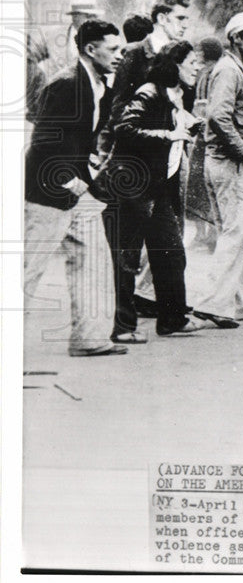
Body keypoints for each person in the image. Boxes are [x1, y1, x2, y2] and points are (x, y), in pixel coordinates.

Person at [23, 19, 127, 357]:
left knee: (95, 257)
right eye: (113, 49)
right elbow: (43, 143)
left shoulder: (101, 86)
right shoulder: (66, 84)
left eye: (121, 49)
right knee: (27, 270)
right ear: (89, 49)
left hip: (75, 192)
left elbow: (83, 142)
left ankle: (90, 337)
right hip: (46, 192)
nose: (120, 55)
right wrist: (72, 183)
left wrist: (87, 182)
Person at [101, 41, 211, 339]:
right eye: (191, 63)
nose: (197, 67)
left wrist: (187, 124)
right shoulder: (149, 92)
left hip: (156, 187)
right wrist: (169, 134)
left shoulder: (175, 95)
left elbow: (169, 125)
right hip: (132, 188)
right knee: (128, 258)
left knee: (172, 252)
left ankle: (172, 319)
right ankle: (122, 328)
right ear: (174, 65)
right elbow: (124, 129)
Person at [191, 12, 243, 324]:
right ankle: (212, 303)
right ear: (235, 38)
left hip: (228, 162)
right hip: (228, 162)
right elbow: (218, 117)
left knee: (242, 234)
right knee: (234, 233)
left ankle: (240, 302)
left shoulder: (233, 68)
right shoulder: (228, 70)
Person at [187, 36, 225, 251]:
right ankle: (205, 234)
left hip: (206, 136)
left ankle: (208, 235)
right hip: (203, 135)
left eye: (199, 51)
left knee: (203, 187)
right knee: (199, 187)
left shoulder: (213, 74)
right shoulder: (206, 72)